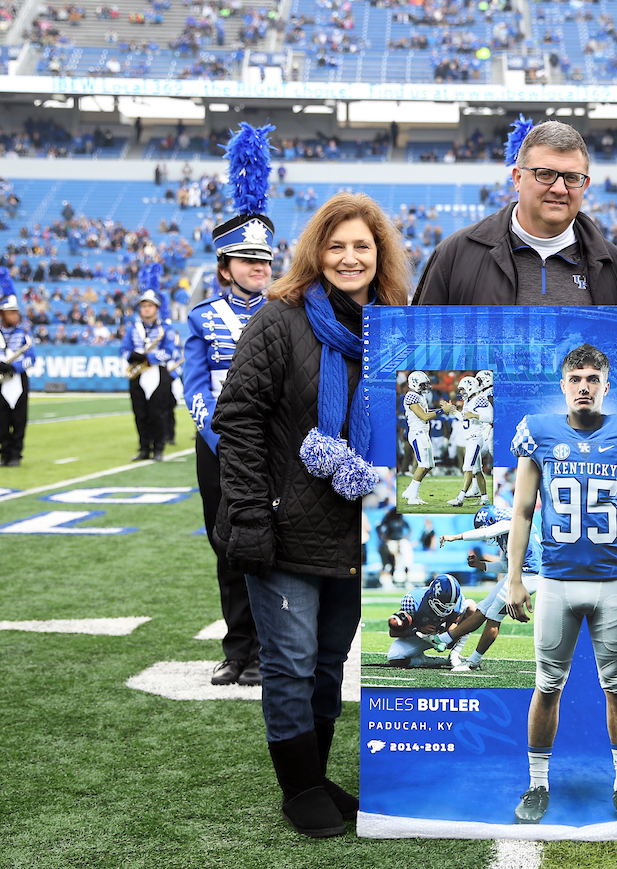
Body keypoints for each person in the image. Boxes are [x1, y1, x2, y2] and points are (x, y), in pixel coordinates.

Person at [212, 192, 412, 838]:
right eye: (336, 245)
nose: (349, 257)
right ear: (315, 253)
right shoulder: (279, 319)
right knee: (292, 662)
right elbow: (237, 419)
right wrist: (249, 516)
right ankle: (298, 787)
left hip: (357, 532)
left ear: (379, 254)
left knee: (328, 663)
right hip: (283, 526)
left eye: (362, 245)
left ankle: (314, 774)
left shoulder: (396, 327)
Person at [505, 343, 617, 825]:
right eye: (575, 380)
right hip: (554, 582)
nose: (584, 387)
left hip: (613, 582)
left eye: (593, 379)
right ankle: (536, 784)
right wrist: (514, 578)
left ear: (606, 386)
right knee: (546, 685)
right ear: (563, 386)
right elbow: (523, 510)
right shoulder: (539, 433)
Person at [184, 127, 276, 687]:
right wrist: (224, 441)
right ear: (226, 266)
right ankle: (237, 649)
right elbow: (195, 389)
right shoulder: (202, 318)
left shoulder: (287, 312)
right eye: (248, 259)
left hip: (273, 448)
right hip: (221, 449)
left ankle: (266, 650)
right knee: (227, 548)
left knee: (269, 550)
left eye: (265, 258)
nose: (259, 266)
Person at [412, 120, 617, 306]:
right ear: (518, 179)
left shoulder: (614, 264)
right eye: (545, 174)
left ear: (585, 185)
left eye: (571, 178)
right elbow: (419, 347)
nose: (559, 189)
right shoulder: (455, 255)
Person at [435, 504, 543, 671]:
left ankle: (473, 661)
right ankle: (443, 639)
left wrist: (454, 537)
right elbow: (504, 566)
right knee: (483, 608)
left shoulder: (512, 520)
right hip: (516, 575)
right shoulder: (505, 534)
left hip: (528, 576)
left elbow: (486, 532)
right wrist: (480, 565)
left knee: (493, 616)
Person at [120, 289, 178, 462]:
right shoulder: (133, 329)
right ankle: (144, 448)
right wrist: (133, 356)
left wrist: (149, 357)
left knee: (157, 413)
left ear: (156, 308)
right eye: (143, 306)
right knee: (140, 413)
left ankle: (158, 448)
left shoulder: (165, 329)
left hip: (156, 372)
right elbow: (124, 349)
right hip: (137, 373)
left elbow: (169, 352)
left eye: (149, 306)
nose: (146, 309)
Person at [384, 574, 475, 667]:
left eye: (449, 606)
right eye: (441, 605)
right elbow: (393, 632)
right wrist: (418, 629)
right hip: (420, 636)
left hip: (441, 633)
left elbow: (452, 624)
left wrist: (447, 637)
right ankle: (427, 661)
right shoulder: (413, 601)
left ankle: (455, 655)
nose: (445, 610)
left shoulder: (458, 602)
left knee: (472, 608)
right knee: (394, 657)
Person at [0, 290, 35, 467]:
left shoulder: (24, 334)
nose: (16, 316)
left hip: (18, 379)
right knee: (1, 419)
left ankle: (16, 454)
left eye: (16, 312)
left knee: (19, 419)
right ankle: (4, 454)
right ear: (1, 314)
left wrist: (15, 367)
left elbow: (31, 358)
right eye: (11, 313)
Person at [400, 370, 456, 506]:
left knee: (429, 465)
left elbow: (426, 412)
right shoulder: (411, 396)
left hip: (423, 432)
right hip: (417, 432)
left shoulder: (418, 396)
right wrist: (442, 411)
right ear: (414, 384)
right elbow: (424, 416)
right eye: (422, 384)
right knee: (423, 465)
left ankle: (409, 491)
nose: (425, 387)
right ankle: (413, 497)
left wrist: (441, 409)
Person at [446, 374, 491, 507]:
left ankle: (460, 498)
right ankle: (484, 498)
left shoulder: (480, 399)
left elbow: (492, 416)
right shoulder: (468, 402)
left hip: (476, 438)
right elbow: (465, 419)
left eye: (462, 389)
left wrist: (475, 415)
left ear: (470, 388)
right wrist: (453, 411)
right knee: (477, 470)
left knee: (468, 468)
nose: (460, 392)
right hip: (471, 438)